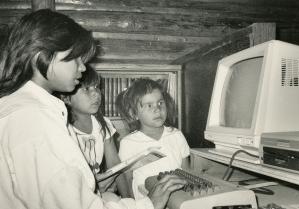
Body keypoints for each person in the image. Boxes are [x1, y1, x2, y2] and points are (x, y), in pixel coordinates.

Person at [0, 9, 186, 209]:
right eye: (76, 59)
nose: (82, 67)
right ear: (42, 56)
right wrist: (150, 204)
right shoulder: (34, 119)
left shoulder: (22, 108)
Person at [57, 65, 130, 197]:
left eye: (96, 87)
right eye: (86, 89)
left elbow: (115, 165)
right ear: (66, 98)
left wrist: (129, 201)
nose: (96, 93)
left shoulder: (103, 124)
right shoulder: (63, 129)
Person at [117, 78, 190, 199]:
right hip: (147, 203)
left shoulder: (176, 135)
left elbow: (187, 172)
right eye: (149, 105)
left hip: (178, 199)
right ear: (133, 113)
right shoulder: (128, 143)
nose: (157, 109)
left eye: (160, 103)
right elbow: (127, 180)